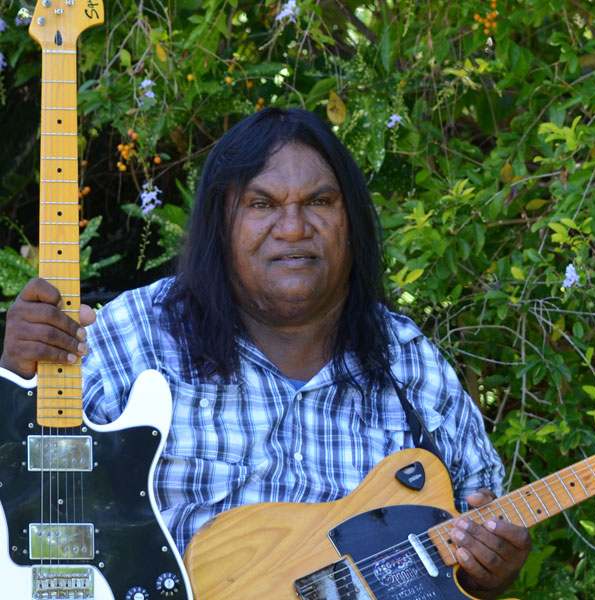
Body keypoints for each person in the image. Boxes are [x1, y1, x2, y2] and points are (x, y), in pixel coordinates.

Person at [0, 107, 530, 598]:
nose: (295, 227)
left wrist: (489, 573)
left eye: (319, 202)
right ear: (220, 224)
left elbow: (469, 538)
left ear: (353, 223)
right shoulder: (135, 334)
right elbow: (34, 500)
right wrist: (15, 380)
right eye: (261, 204)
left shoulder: (410, 365)